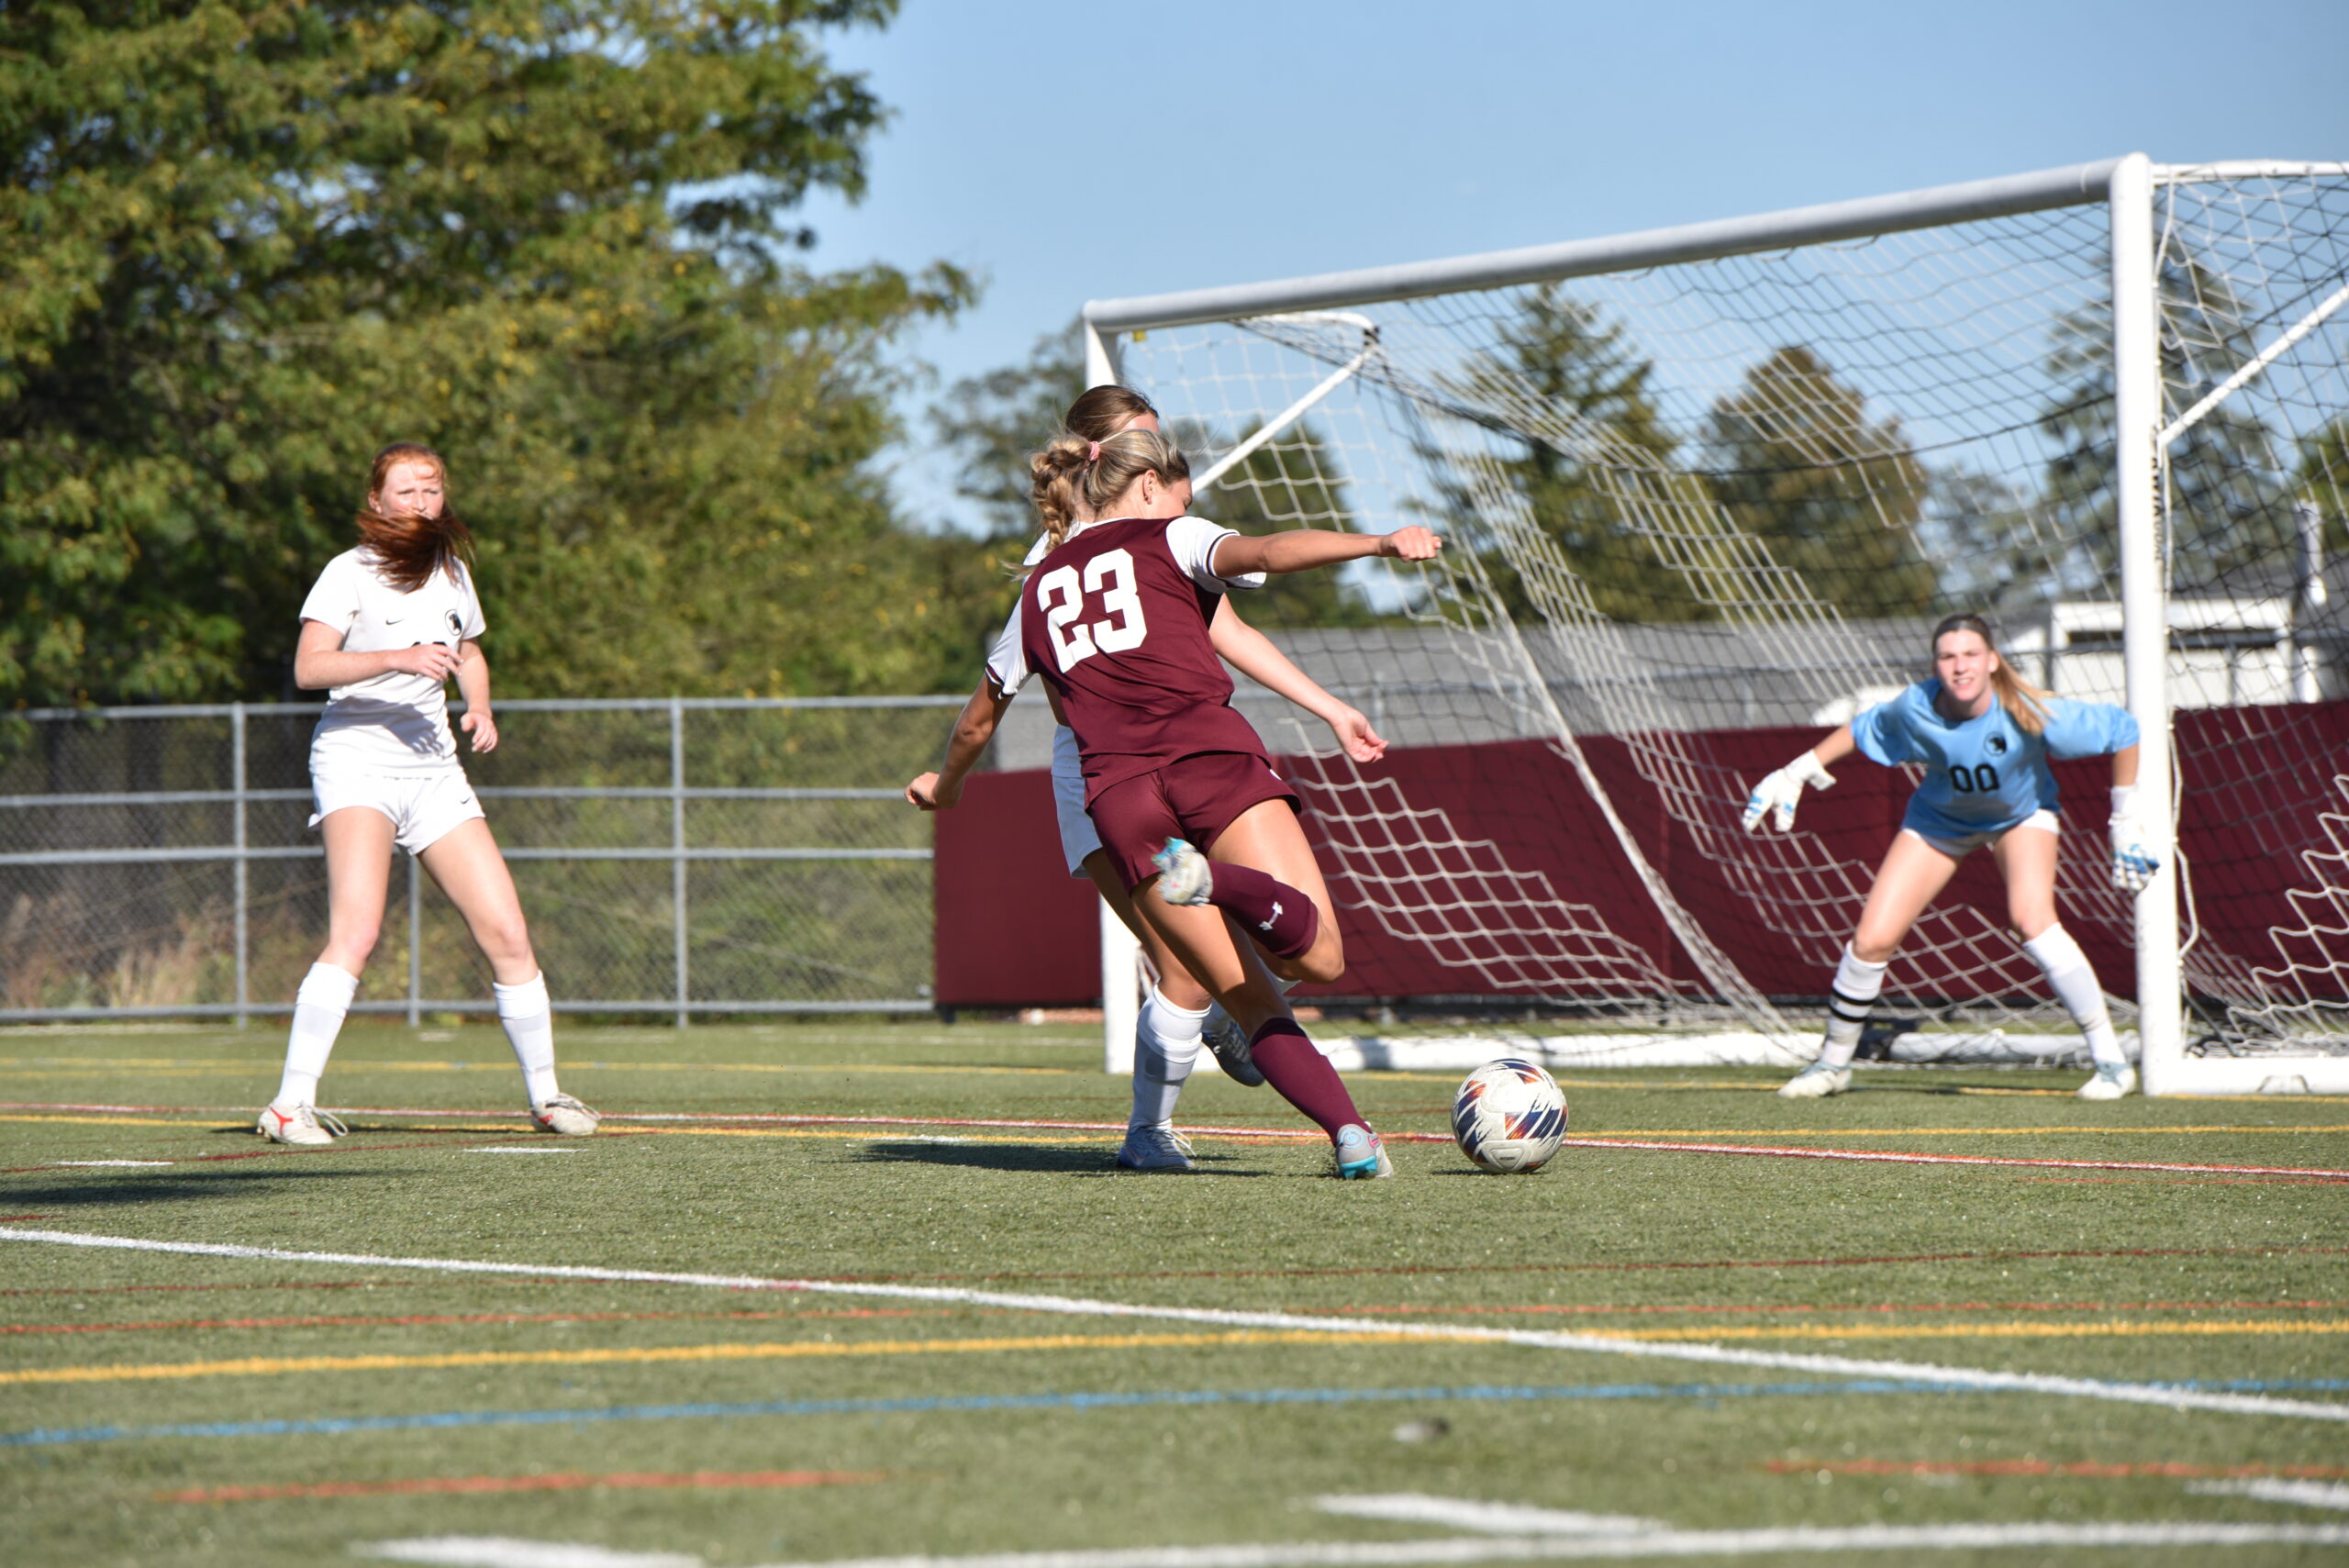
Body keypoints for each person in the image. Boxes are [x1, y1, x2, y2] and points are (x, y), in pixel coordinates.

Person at [919, 425, 1441, 1177]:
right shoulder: (1171, 536)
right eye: (1180, 494)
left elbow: (977, 719)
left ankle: (1353, 1138)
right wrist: (1380, 544)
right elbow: (1266, 552)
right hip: (1209, 761)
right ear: (1146, 486)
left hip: (1122, 802)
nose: (1185, 508)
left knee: (1246, 994)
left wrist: (948, 785)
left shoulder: (1037, 589)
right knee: (1320, 956)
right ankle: (1220, 883)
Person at [255, 443, 599, 1146]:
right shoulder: (346, 572)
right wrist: (396, 657)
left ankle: (546, 1097)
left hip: (434, 768)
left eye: (432, 488)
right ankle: (289, 1105)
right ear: (376, 501)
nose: (422, 499)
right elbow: (309, 666)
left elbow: (468, 652)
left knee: (507, 930)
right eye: (405, 489)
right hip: (358, 759)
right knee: (358, 930)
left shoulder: (451, 571)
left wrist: (481, 706)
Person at [1742, 613, 2158, 1102]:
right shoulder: (1916, 708)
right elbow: (1861, 727)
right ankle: (1832, 1065)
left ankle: (2110, 1062)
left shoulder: (2027, 711)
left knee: (2033, 920)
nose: (1960, 666)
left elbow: (2124, 731)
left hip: (2020, 817)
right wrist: (1796, 771)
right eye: (1948, 656)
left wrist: (2124, 820)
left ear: (1993, 661)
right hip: (1939, 822)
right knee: (1872, 940)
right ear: (1936, 665)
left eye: (1971, 655)